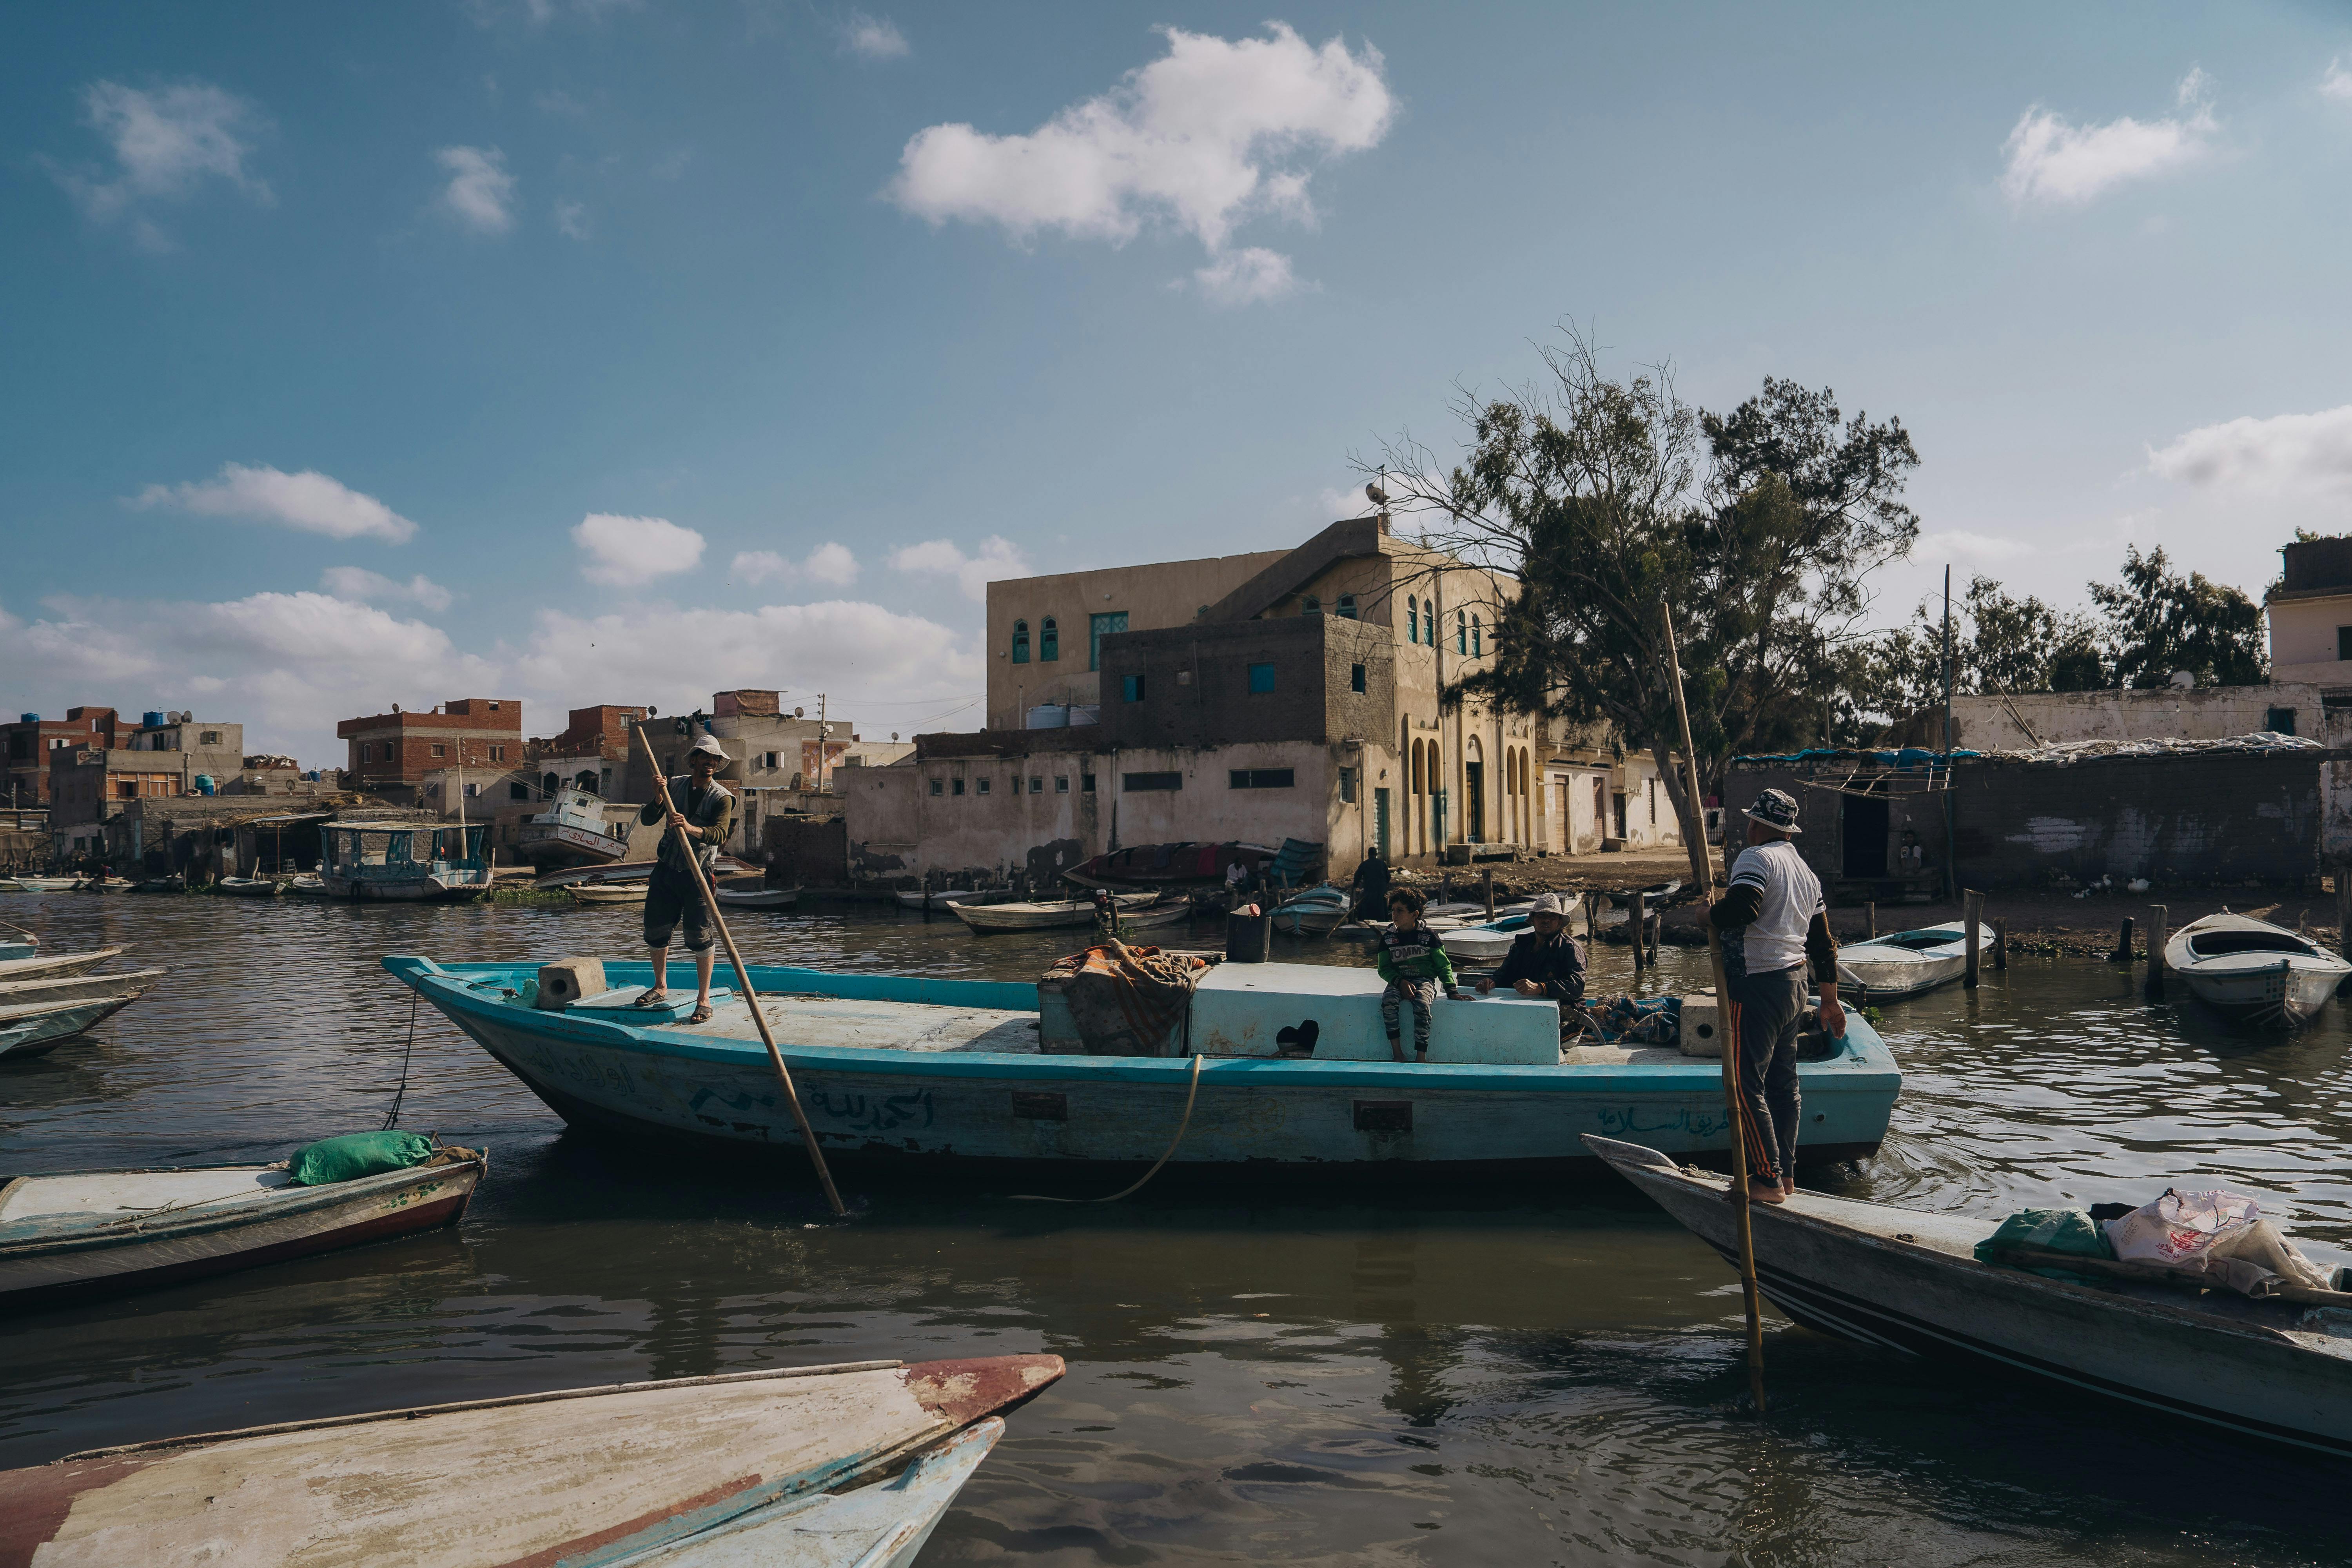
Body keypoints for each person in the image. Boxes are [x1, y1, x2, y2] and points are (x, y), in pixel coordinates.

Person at [1708, 788, 1843, 1204]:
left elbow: (1742, 910)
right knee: (1784, 1085)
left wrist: (1704, 915)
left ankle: (1767, 1179)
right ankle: (1785, 1176)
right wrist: (1830, 999)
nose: (1747, 827)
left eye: (1751, 821)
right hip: (1795, 984)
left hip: (1759, 984)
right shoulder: (1806, 871)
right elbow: (1823, 943)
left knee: (1745, 1086)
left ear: (1759, 825)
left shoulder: (1755, 858)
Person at [637, 732, 735, 1024]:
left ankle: (703, 999)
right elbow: (647, 820)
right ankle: (660, 986)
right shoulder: (674, 787)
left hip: (699, 874)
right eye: (705, 758)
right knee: (655, 930)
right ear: (694, 760)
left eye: (715, 760)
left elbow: (720, 833)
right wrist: (657, 798)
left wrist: (691, 829)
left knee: (698, 936)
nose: (710, 763)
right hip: (667, 869)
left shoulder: (722, 797)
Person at [1376, 886, 1461, 1062]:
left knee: (1422, 1005)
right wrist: (1400, 982)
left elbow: (1443, 965)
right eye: (1393, 910)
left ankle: (1421, 1056)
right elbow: (1384, 969)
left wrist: (1452, 990)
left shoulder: (1429, 937)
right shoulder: (1388, 938)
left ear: (1414, 914)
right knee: (1389, 1002)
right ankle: (1397, 1053)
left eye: (1400, 910)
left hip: (1425, 981)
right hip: (1398, 980)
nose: (1395, 914)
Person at [1477, 892, 1585, 1010]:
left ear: (1559, 923)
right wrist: (1492, 981)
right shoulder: (1520, 946)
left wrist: (1540, 988)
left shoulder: (1571, 949)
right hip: (1528, 1009)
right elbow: (1504, 974)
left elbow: (1576, 986)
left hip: (1567, 1013)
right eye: (1541, 916)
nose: (1546, 920)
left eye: (1552, 917)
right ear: (1533, 920)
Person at [1350, 846, 1392, 920]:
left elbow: (1357, 876)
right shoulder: (1382, 863)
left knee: (1369, 905)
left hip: (1370, 888)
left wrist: (1355, 885)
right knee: (1381, 905)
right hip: (1381, 888)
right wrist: (1384, 885)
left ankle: (1368, 921)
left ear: (1368, 855)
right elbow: (1388, 877)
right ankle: (1382, 921)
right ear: (1376, 854)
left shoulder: (1365, 864)